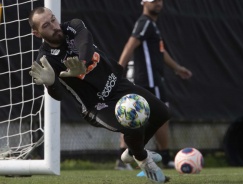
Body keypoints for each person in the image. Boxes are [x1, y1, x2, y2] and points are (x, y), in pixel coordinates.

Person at [28, 7, 170, 183]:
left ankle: (132, 151)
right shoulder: (45, 60)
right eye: (46, 25)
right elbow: (58, 96)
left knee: (163, 113)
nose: (54, 26)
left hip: (118, 85)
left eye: (53, 19)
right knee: (132, 125)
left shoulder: (73, 26)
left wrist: (82, 62)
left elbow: (85, 41)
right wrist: (50, 84)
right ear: (37, 33)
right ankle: (142, 158)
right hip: (96, 104)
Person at [117, 0, 192, 170]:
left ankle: (123, 158)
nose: (158, 3)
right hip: (149, 80)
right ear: (144, 3)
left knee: (132, 117)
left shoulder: (152, 25)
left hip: (150, 79)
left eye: (159, 0)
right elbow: (130, 45)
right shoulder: (144, 23)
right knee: (162, 116)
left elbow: (161, 52)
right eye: (153, 1)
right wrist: (118, 70)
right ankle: (164, 157)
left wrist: (178, 68)